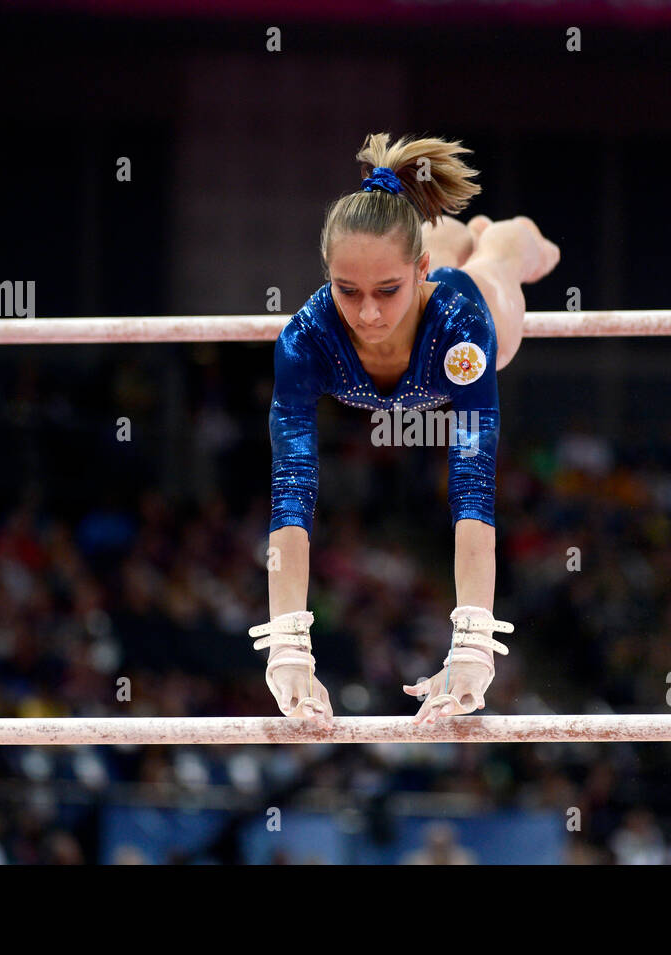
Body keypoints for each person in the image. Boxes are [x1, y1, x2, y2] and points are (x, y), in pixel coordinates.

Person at [252, 132, 559, 725]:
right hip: (422, 289)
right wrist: (287, 649)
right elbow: (292, 492)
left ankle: (501, 236)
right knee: (439, 240)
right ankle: (446, 233)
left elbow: (472, 488)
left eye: (387, 291)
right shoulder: (306, 340)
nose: (366, 313)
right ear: (327, 276)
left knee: (504, 255)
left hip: (471, 315)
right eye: (348, 290)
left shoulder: (463, 329)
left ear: (416, 275)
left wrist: (472, 645)